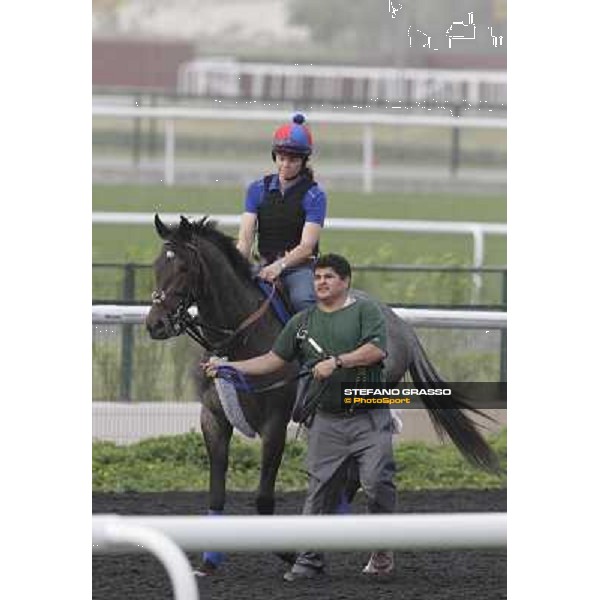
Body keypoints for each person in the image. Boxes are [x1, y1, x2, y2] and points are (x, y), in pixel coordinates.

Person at [204, 254, 397, 580]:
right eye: (317, 277)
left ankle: (381, 551)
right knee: (317, 493)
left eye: (328, 277)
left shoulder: (367, 311)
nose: (321, 282)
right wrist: (228, 366)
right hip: (327, 421)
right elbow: (270, 360)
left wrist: (337, 362)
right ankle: (309, 561)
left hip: (369, 417)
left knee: (377, 483)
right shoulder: (301, 323)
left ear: (345, 281)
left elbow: (376, 351)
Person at [236, 113, 327, 312]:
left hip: (298, 269)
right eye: (281, 158)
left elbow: (306, 247)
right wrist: (236, 265)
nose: (285, 164)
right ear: (274, 157)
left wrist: (279, 266)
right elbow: (245, 241)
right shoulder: (256, 189)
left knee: (303, 300)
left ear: (303, 161)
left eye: (293, 159)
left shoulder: (315, 196)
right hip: (262, 265)